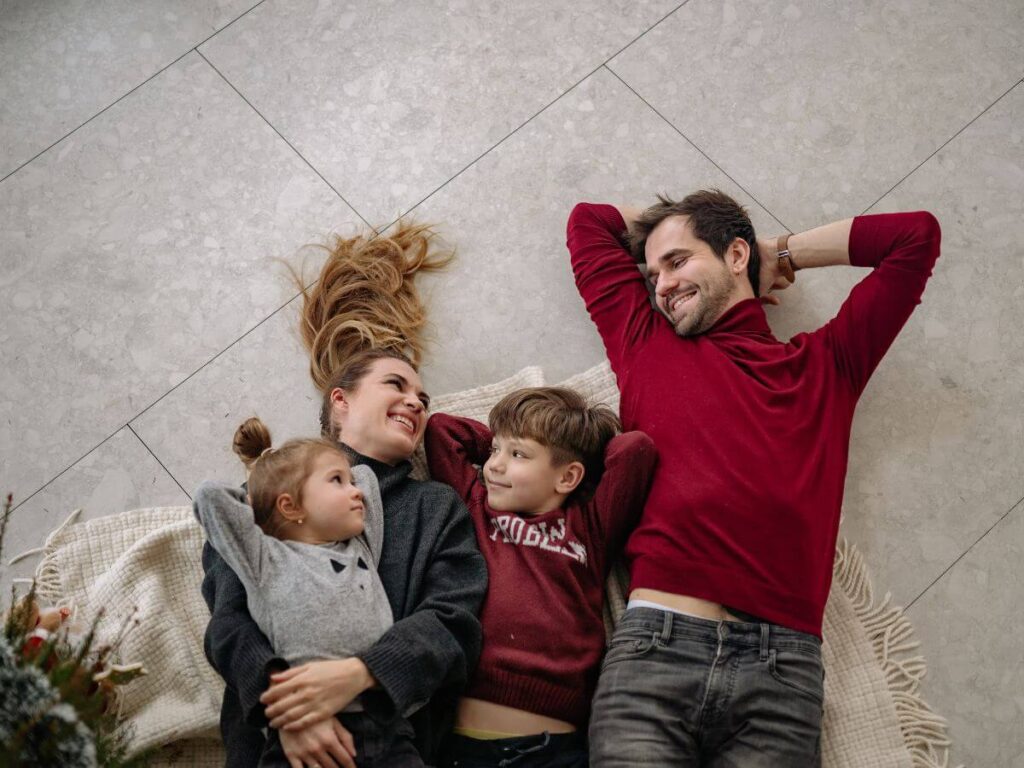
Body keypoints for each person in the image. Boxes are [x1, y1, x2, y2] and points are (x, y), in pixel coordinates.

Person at [566, 190, 940, 766]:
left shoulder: (827, 367)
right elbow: (590, 222)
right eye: (652, 272)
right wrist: (674, 247)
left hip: (781, 672)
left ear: (735, 255)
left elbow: (914, 236)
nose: (661, 285)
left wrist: (781, 254)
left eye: (679, 260)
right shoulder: (645, 343)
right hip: (655, 653)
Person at [201, 221, 487, 768]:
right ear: (341, 402)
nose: (415, 403)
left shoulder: (435, 509)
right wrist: (290, 709)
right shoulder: (265, 492)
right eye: (396, 385)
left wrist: (360, 675)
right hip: (279, 742)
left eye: (422, 397)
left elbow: (455, 624)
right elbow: (227, 621)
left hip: (394, 742)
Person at [425, 387, 657, 768]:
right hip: (464, 750)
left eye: (517, 454)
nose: (495, 465)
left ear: (567, 477)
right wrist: (503, 442)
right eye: (495, 450)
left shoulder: (589, 528)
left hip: (555, 750)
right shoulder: (476, 509)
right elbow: (441, 431)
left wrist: (576, 442)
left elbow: (636, 450)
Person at [195, 417, 418, 766]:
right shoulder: (264, 558)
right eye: (336, 481)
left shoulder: (360, 546)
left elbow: (368, 479)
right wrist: (260, 479)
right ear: (289, 506)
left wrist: (336, 477)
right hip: (298, 732)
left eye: (348, 479)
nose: (355, 489)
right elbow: (209, 497)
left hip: (385, 727)